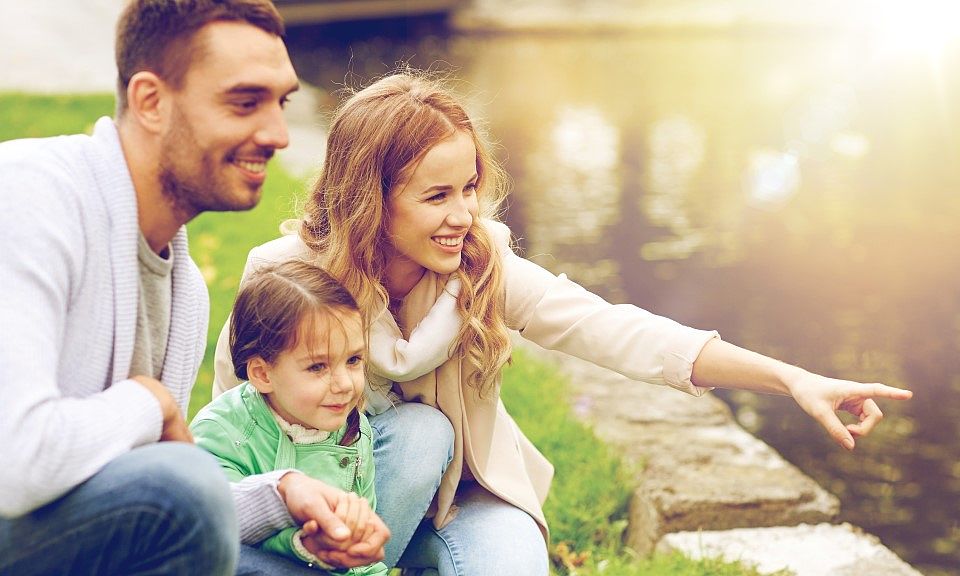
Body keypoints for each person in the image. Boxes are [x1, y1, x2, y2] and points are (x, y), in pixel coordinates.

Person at [213, 72, 913, 575]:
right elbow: (235, 422)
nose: (464, 214)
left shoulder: (480, 268)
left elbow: (620, 332)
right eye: (437, 196)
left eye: (469, 188)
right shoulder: (284, 277)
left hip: (460, 502)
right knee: (215, 547)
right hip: (314, 516)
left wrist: (791, 379)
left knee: (471, 503)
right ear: (372, 198)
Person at [0, 1, 346, 574]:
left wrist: (282, 494)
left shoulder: (183, 289)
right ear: (150, 102)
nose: (278, 135)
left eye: (282, 103)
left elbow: (151, 491)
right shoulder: (29, 199)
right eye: (245, 102)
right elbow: (16, 463)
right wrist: (151, 400)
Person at [191, 260, 395, 575]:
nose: (344, 384)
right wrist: (303, 544)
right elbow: (219, 532)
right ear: (262, 374)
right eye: (318, 367)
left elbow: (362, 554)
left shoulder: (354, 431)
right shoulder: (222, 434)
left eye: (353, 360)